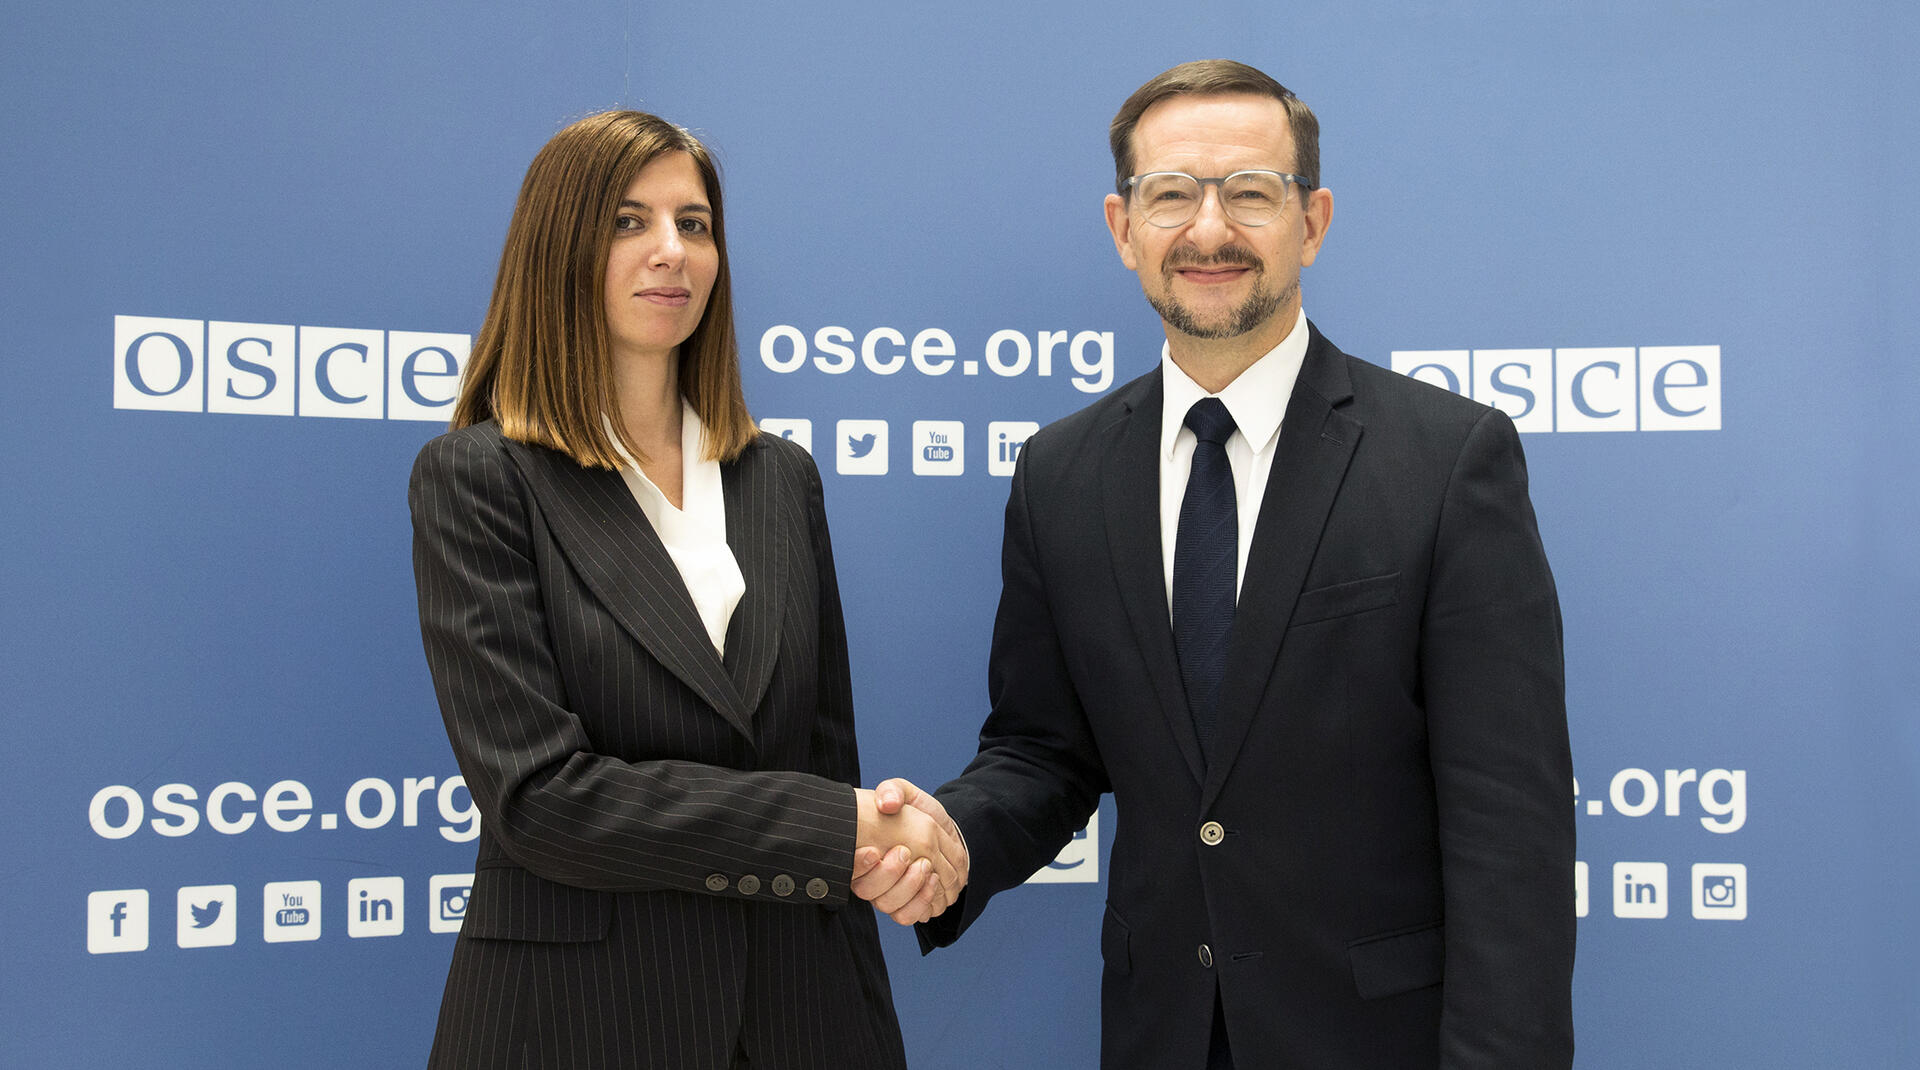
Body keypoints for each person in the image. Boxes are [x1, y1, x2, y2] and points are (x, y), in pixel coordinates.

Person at [861, 60, 1575, 1067]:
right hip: (1160, 1033)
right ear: (1123, 228)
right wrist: (956, 840)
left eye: (1249, 191)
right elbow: (1044, 748)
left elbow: (1510, 824)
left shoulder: (1448, 459)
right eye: (1171, 195)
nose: (1209, 230)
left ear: (1312, 221)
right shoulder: (1060, 473)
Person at [409, 109, 962, 1070]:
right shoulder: (479, 477)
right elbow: (541, 798)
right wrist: (838, 826)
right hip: (579, 1023)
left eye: (694, 223)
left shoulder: (780, 477)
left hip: (803, 1015)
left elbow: (824, 759)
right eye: (628, 221)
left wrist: (881, 859)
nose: (672, 251)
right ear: (557, 248)